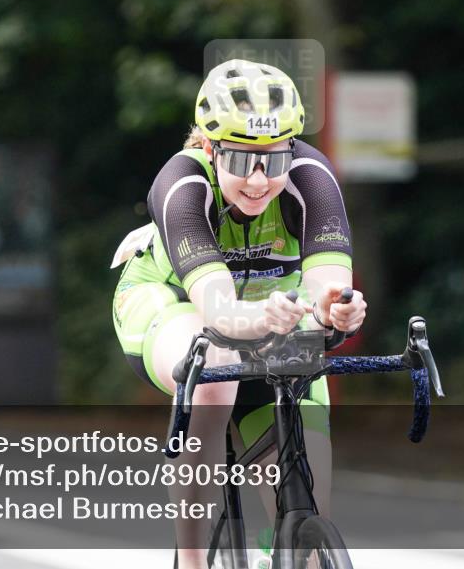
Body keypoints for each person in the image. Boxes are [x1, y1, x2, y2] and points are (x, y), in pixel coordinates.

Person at [111, 59, 367, 568]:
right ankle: (190, 558)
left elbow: (326, 291)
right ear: (209, 148)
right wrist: (267, 320)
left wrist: (335, 312)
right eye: (240, 161)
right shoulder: (182, 184)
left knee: (306, 502)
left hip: (273, 313)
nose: (257, 180)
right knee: (214, 372)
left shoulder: (312, 179)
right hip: (171, 303)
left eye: (272, 162)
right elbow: (219, 310)